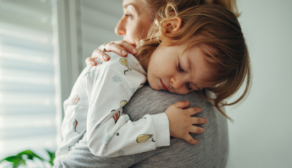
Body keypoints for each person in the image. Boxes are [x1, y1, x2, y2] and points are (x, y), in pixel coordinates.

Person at [54, 0, 247, 167]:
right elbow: (100, 142)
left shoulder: (145, 77)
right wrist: (165, 124)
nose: (176, 84)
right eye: (180, 67)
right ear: (169, 27)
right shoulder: (117, 70)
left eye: (191, 87)